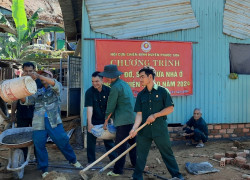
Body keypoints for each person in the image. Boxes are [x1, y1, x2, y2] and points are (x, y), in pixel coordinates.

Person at [20, 70, 82, 178]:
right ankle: (43, 169)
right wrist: (21, 84)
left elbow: (54, 83)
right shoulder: (37, 91)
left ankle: (73, 160)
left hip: (54, 121)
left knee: (62, 141)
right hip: (38, 123)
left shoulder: (56, 88)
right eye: (42, 75)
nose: (43, 76)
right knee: (39, 145)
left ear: (51, 76)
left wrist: (38, 76)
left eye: (45, 75)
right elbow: (26, 100)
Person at [130, 66, 184, 180]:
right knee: (141, 156)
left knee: (167, 153)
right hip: (144, 131)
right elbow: (139, 114)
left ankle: (177, 176)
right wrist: (134, 128)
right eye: (139, 77)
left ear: (150, 77)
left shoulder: (163, 91)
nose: (140, 79)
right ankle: (137, 177)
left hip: (160, 129)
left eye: (142, 77)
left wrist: (155, 115)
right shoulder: (141, 95)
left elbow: (170, 108)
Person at [99, 64, 136, 176]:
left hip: (123, 121)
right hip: (133, 119)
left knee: (120, 147)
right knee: (133, 144)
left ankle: (117, 171)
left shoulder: (115, 87)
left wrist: (106, 121)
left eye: (106, 76)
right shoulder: (124, 84)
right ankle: (136, 165)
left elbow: (111, 106)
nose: (105, 78)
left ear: (110, 77)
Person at [11, 62, 43, 160]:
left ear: (34, 71)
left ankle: (39, 160)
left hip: (36, 114)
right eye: (26, 71)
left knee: (38, 138)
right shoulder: (18, 82)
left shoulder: (39, 83)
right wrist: (13, 114)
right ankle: (22, 159)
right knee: (22, 138)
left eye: (30, 71)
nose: (28, 73)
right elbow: (14, 100)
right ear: (22, 71)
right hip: (22, 114)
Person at [84, 71, 117, 164]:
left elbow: (111, 108)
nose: (94, 83)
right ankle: (91, 162)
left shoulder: (108, 91)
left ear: (102, 80)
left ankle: (114, 160)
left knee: (109, 141)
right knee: (90, 143)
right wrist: (89, 123)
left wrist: (110, 121)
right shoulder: (89, 92)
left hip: (105, 120)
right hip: (93, 120)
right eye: (93, 81)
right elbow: (89, 108)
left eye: (97, 81)